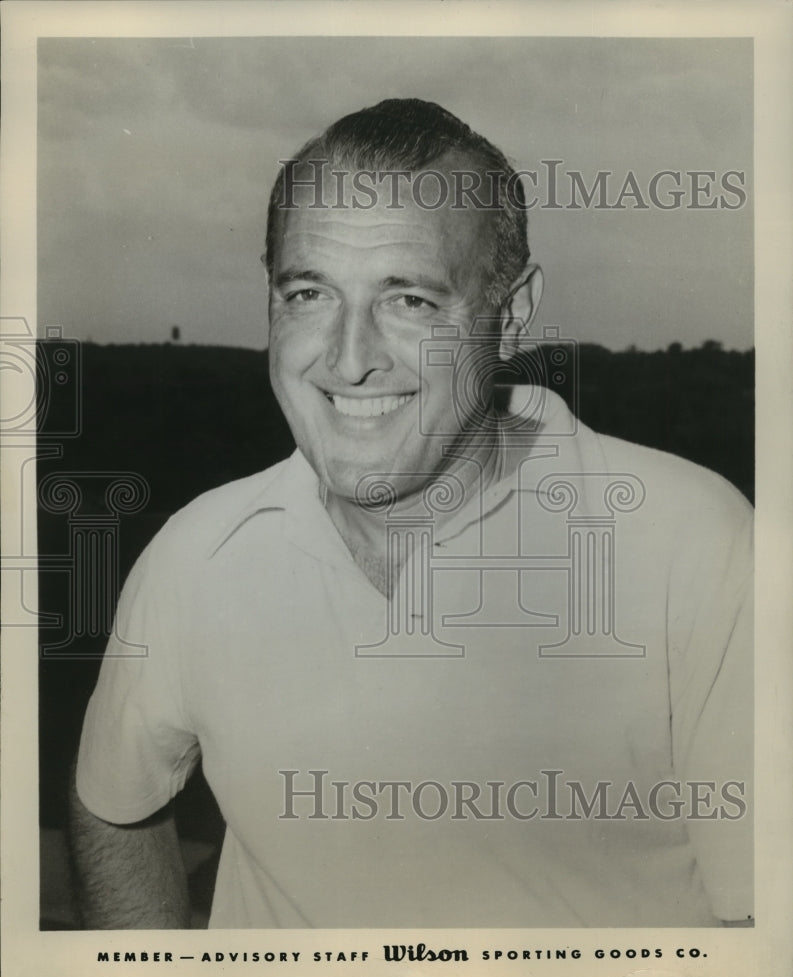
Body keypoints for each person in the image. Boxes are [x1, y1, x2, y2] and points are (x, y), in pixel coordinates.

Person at [70, 99, 753, 929]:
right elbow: (113, 801)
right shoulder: (196, 554)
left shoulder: (694, 547)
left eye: (412, 301)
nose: (350, 359)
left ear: (512, 316)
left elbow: (763, 932)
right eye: (310, 292)